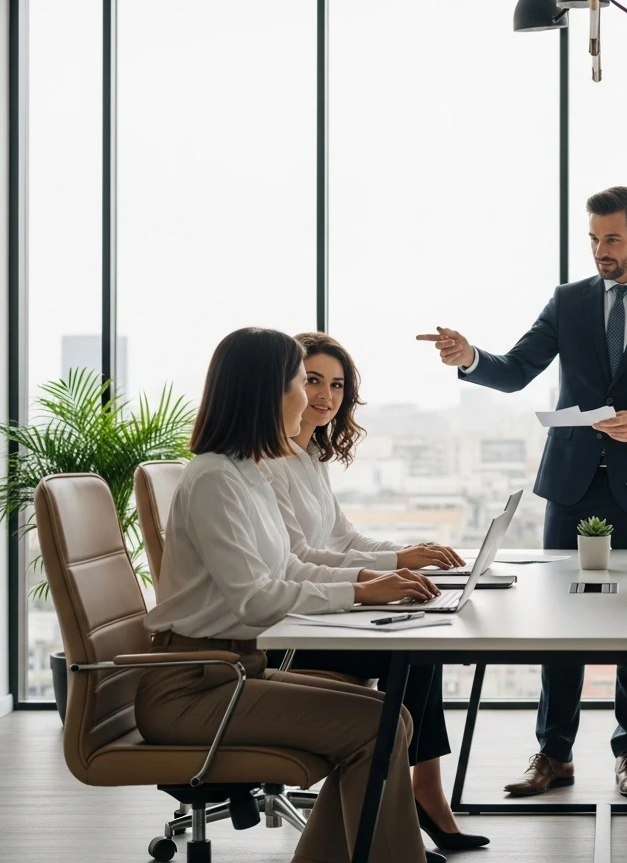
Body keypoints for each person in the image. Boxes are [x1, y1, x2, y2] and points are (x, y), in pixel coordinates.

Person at [417, 186, 627, 800]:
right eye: (593, 238)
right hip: (572, 487)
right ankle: (554, 753)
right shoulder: (569, 301)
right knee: (562, 623)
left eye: (612, 239)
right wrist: (471, 356)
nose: (600, 251)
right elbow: (517, 367)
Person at [138, 327, 445, 863]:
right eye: (300, 383)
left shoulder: (247, 473)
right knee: (378, 726)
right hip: (192, 689)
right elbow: (255, 601)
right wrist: (361, 591)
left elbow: (292, 564)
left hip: (235, 672)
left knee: (392, 719)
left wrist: (368, 585)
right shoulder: (216, 479)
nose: (310, 399)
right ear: (269, 393)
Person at [262, 331, 488, 852]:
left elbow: (343, 538)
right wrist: (388, 568)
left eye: (337, 385)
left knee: (421, 636)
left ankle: (422, 792)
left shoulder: (308, 456)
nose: (326, 395)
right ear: (287, 384)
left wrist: (405, 554)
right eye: (312, 380)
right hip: (292, 631)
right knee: (412, 647)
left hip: (319, 608)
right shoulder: (267, 466)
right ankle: (410, 801)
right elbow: (300, 560)